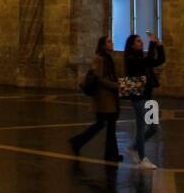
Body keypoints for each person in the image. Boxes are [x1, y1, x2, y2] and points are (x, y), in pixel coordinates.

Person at [69, 35, 122, 162]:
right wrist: (116, 86)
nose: (112, 43)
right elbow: (99, 79)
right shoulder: (100, 59)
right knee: (102, 125)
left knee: (109, 126)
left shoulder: (108, 58)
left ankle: (111, 154)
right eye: (109, 42)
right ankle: (77, 142)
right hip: (104, 99)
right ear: (103, 45)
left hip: (110, 98)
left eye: (111, 41)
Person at [123, 31, 165, 163]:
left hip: (148, 96)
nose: (141, 42)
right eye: (138, 41)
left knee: (154, 127)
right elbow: (147, 60)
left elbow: (160, 60)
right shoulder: (131, 59)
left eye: (141, 40)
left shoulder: (142, 58)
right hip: (138, 96)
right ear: (131, 45)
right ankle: (142, 159)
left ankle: (133, 148)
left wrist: (160, 46)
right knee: (141, 128)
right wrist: (152, 43)